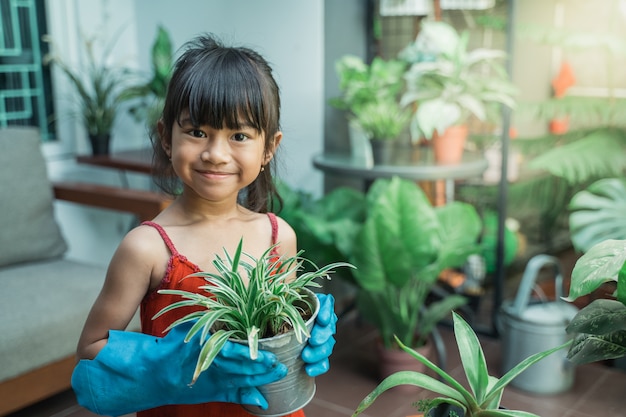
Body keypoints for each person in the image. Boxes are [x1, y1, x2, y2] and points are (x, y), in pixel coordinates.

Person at [71, 34, 337, 417]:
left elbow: (284, 333)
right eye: (197, 132)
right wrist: (175, 365)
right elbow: (91, 348)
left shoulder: (279, 236)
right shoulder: (147, 248)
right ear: (167, 137)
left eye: (239, 135)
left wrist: (310, 333)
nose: (215, 153)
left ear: (268, 148)